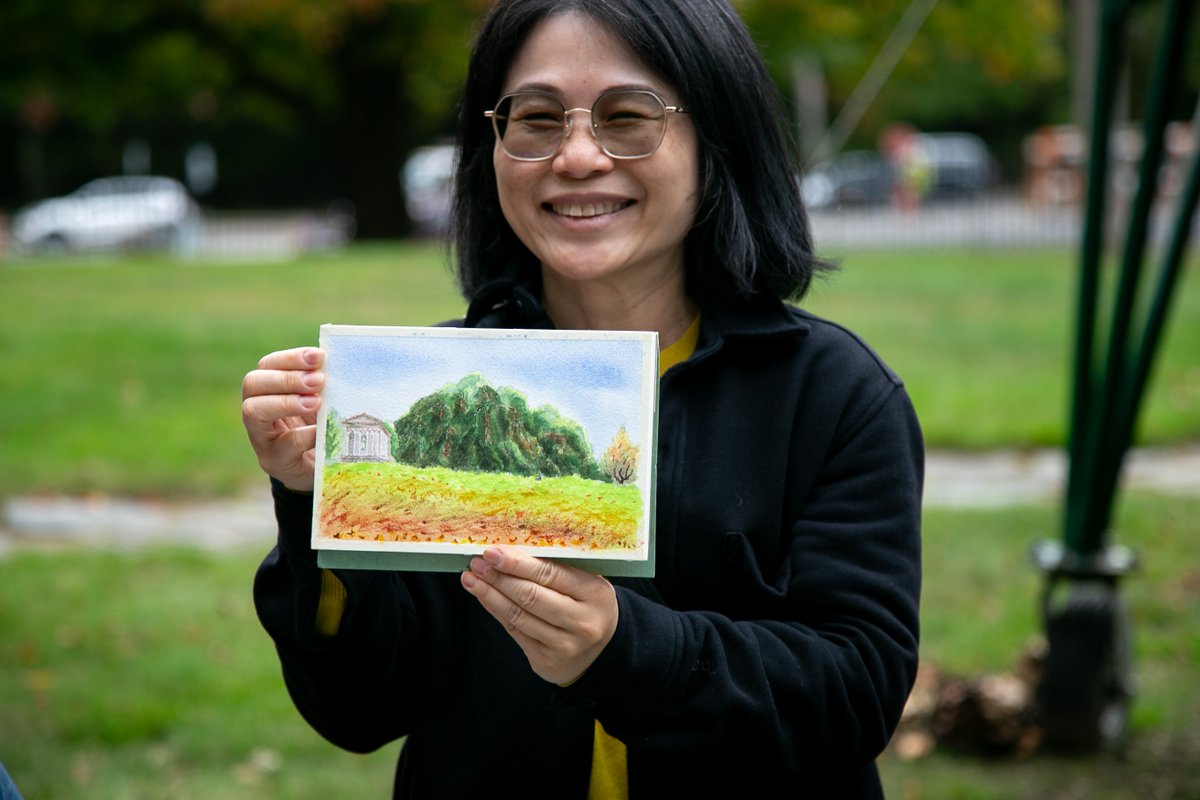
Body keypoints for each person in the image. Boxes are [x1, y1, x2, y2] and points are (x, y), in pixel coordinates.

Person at [242, 1, 923, 797]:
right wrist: (307, 498)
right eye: (533, 118)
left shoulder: (834, 395)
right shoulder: (425, 389)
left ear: (717, 136)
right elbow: (356, 712)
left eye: (627, 116)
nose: (575, 156)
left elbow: (853, 696)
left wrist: (626, 650)